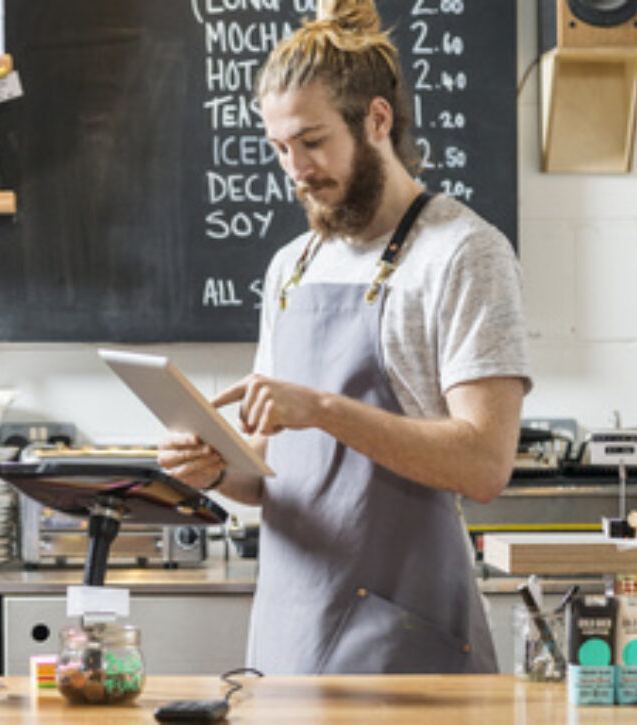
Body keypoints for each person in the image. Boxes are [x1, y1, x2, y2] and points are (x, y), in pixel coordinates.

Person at [159, 0, 531, 674]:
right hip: (289, 635)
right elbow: (273, 474)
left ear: (377, 120)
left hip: (403, 647)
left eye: (312, 140)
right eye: (279, 148)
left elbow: (484, 462)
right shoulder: (292, 265)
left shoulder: (463, 253)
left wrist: (324, 409)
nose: (295, 168)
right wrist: (217, 468)